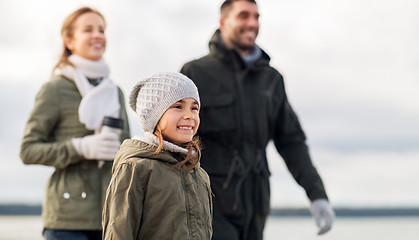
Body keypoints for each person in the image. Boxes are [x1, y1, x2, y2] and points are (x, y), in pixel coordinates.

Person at [180, 0, 335, 239]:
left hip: (257, 204)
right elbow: (175, 137)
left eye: (256, 17)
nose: (252, 23)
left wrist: (317, 194)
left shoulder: (272, 80)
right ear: (223, 22)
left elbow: (291, 141)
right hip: (209, 203)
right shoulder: (194, 73)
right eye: (243, 16)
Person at [20, 7, 130, 240]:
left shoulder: (116, 92)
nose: (97, 35)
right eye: (88, 29)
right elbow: (28, 151)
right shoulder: (55, 89)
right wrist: (80, 147)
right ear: (69, 40)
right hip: (67, 219)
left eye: (101, 29)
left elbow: (127, 154)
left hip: (113, 217)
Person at [102, 72, 213, 239]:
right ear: (154, 116)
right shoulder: (135, 169)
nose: (189, 115)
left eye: (194, 108)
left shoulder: (199, 175)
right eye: (178, 106)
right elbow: (118, 233)